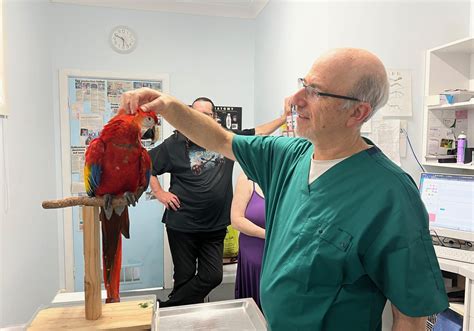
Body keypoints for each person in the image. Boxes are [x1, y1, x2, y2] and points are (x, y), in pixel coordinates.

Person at [120, 48, 449, 330]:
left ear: (358, 112)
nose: (293, 101)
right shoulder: (286, 156)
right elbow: (220, 139)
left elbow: (411, 314)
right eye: (302, 85)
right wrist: (167, 106)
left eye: (316, 93)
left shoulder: (390, 194)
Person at [148, 96, 289, 307]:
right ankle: (183, 320)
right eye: (197, 114)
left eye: (207, 115)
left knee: (212, 276)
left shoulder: (226, 141)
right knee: (184, 276)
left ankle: (167, 307)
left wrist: (283, 118)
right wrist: (159, 192)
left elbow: (257, 133)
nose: (201, 118)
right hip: (182, 224)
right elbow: (146, 165)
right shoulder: (174, 143)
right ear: (189, 115)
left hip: (214, 225)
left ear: (214, 118)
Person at [230, 173, 266, 309]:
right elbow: (236, 220)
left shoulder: (289, 176)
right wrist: (269, 235)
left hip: (283, 250)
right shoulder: (246, 179)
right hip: (254, 251)